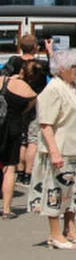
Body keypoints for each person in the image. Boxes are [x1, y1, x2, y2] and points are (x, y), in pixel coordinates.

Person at [31, 49, 76, 249]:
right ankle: (54, 233)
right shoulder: (53, 88)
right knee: (57, 190)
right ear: (61, 69)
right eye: (74, 66)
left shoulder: (73, 86)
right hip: (62, 147)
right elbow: (45, 124)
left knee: (75, 191)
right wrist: (54, 152)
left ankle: (69, 229)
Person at [3, 33, 51, 186]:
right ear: (36, 47)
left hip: (16, 104)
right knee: (32, 139)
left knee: (21, 139)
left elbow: (4, 75)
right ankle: (28, 173)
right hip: (35, 103)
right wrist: (50, 52)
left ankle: (19, 168)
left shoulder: (14, 61)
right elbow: (54, 71)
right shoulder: (40, 65)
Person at [1, 60, 38, 219]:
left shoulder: (2, 80)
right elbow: (25, 112)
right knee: (10, 168)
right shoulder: (31, 94)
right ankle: (7, 209)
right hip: (14, 128)